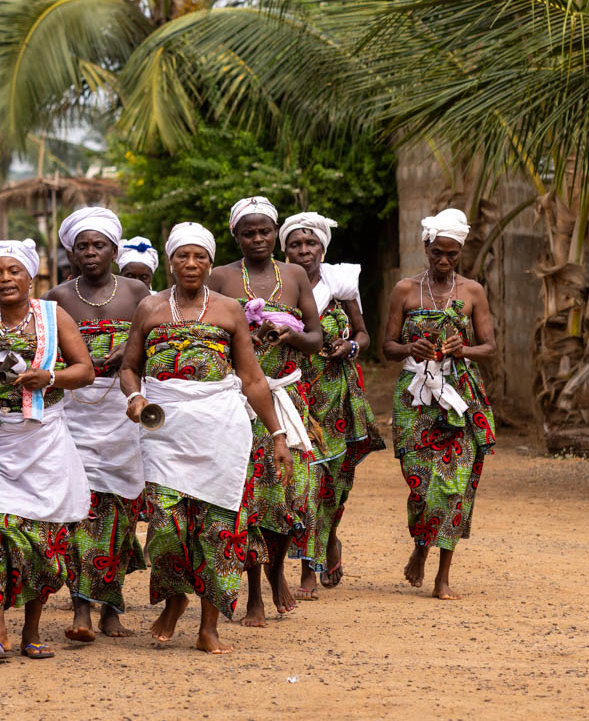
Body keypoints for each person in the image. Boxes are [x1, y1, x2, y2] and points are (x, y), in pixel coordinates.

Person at [120, 223, 292, 654]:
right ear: (171, 261)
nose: (191, 264)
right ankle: (176, 598)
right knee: (166, 523)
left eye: (199, 257)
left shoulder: (229, 310)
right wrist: (136, 396)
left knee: (219, 528)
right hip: (165, 429)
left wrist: (277, 434)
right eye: (183, 256)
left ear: (210, 263)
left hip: (220, 427)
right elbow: (129, 366)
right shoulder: (150, 308)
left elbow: (251, 378)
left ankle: (209, 626)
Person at [0, 239, 91, 661]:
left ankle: (31, 630)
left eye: (14, 272)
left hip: (43, 442)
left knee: (40, 541)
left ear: (31, 276)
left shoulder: (53, 316)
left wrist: (50, 378)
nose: (5, 279)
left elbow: (84, 371)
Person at [206, 196, 323, 626]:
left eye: (265, 231)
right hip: (238, 402)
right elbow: (203, 330)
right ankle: (253, 591)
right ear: (235, 236)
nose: (258, 238)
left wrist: (287, 336)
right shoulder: (219, 277)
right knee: (249, 499)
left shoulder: (292, 275)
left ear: (276, 233)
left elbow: (316, 337)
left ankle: (277, 572)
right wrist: (240, 342)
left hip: (289, 400)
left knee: (295, 494)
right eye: (248, 232)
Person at [45, 207, 149, 641]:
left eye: (99, 245)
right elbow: (43, 350)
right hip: (73, 413)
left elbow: (149, 340)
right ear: (70, 249)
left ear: (114, 250)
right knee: (78, 510)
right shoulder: (57, 296)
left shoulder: (138, 291)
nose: (90, 253)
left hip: (123, 412)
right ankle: (81, 608)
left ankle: (111, 606)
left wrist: (125, 352)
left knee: (120, 514)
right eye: (82, 246)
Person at [382, 208, 496, 600]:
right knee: (420, 484)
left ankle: (442, 575)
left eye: (452, 255)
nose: (444, 262)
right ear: (426, 248)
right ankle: (420, 546)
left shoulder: (472, 291)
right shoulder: (405, 290)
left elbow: (490, 347)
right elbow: (387, 346)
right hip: (414, 398)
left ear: (461, 252)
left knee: (454, 485)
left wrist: (463, 350)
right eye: (437, 254)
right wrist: (408, 348)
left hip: (459, 398)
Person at [281, 211, 381, 598]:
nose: (304, 251)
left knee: (334, 485)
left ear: (323, 248)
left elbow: (364, 334)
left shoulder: (340, 283)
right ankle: (308, 568)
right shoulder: (278, 287)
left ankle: (329, 537)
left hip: (338, 399)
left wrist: (350, 346)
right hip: (295, 396)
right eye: (295, 244)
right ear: (285, 249)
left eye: (311, 244)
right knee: (304, 484)